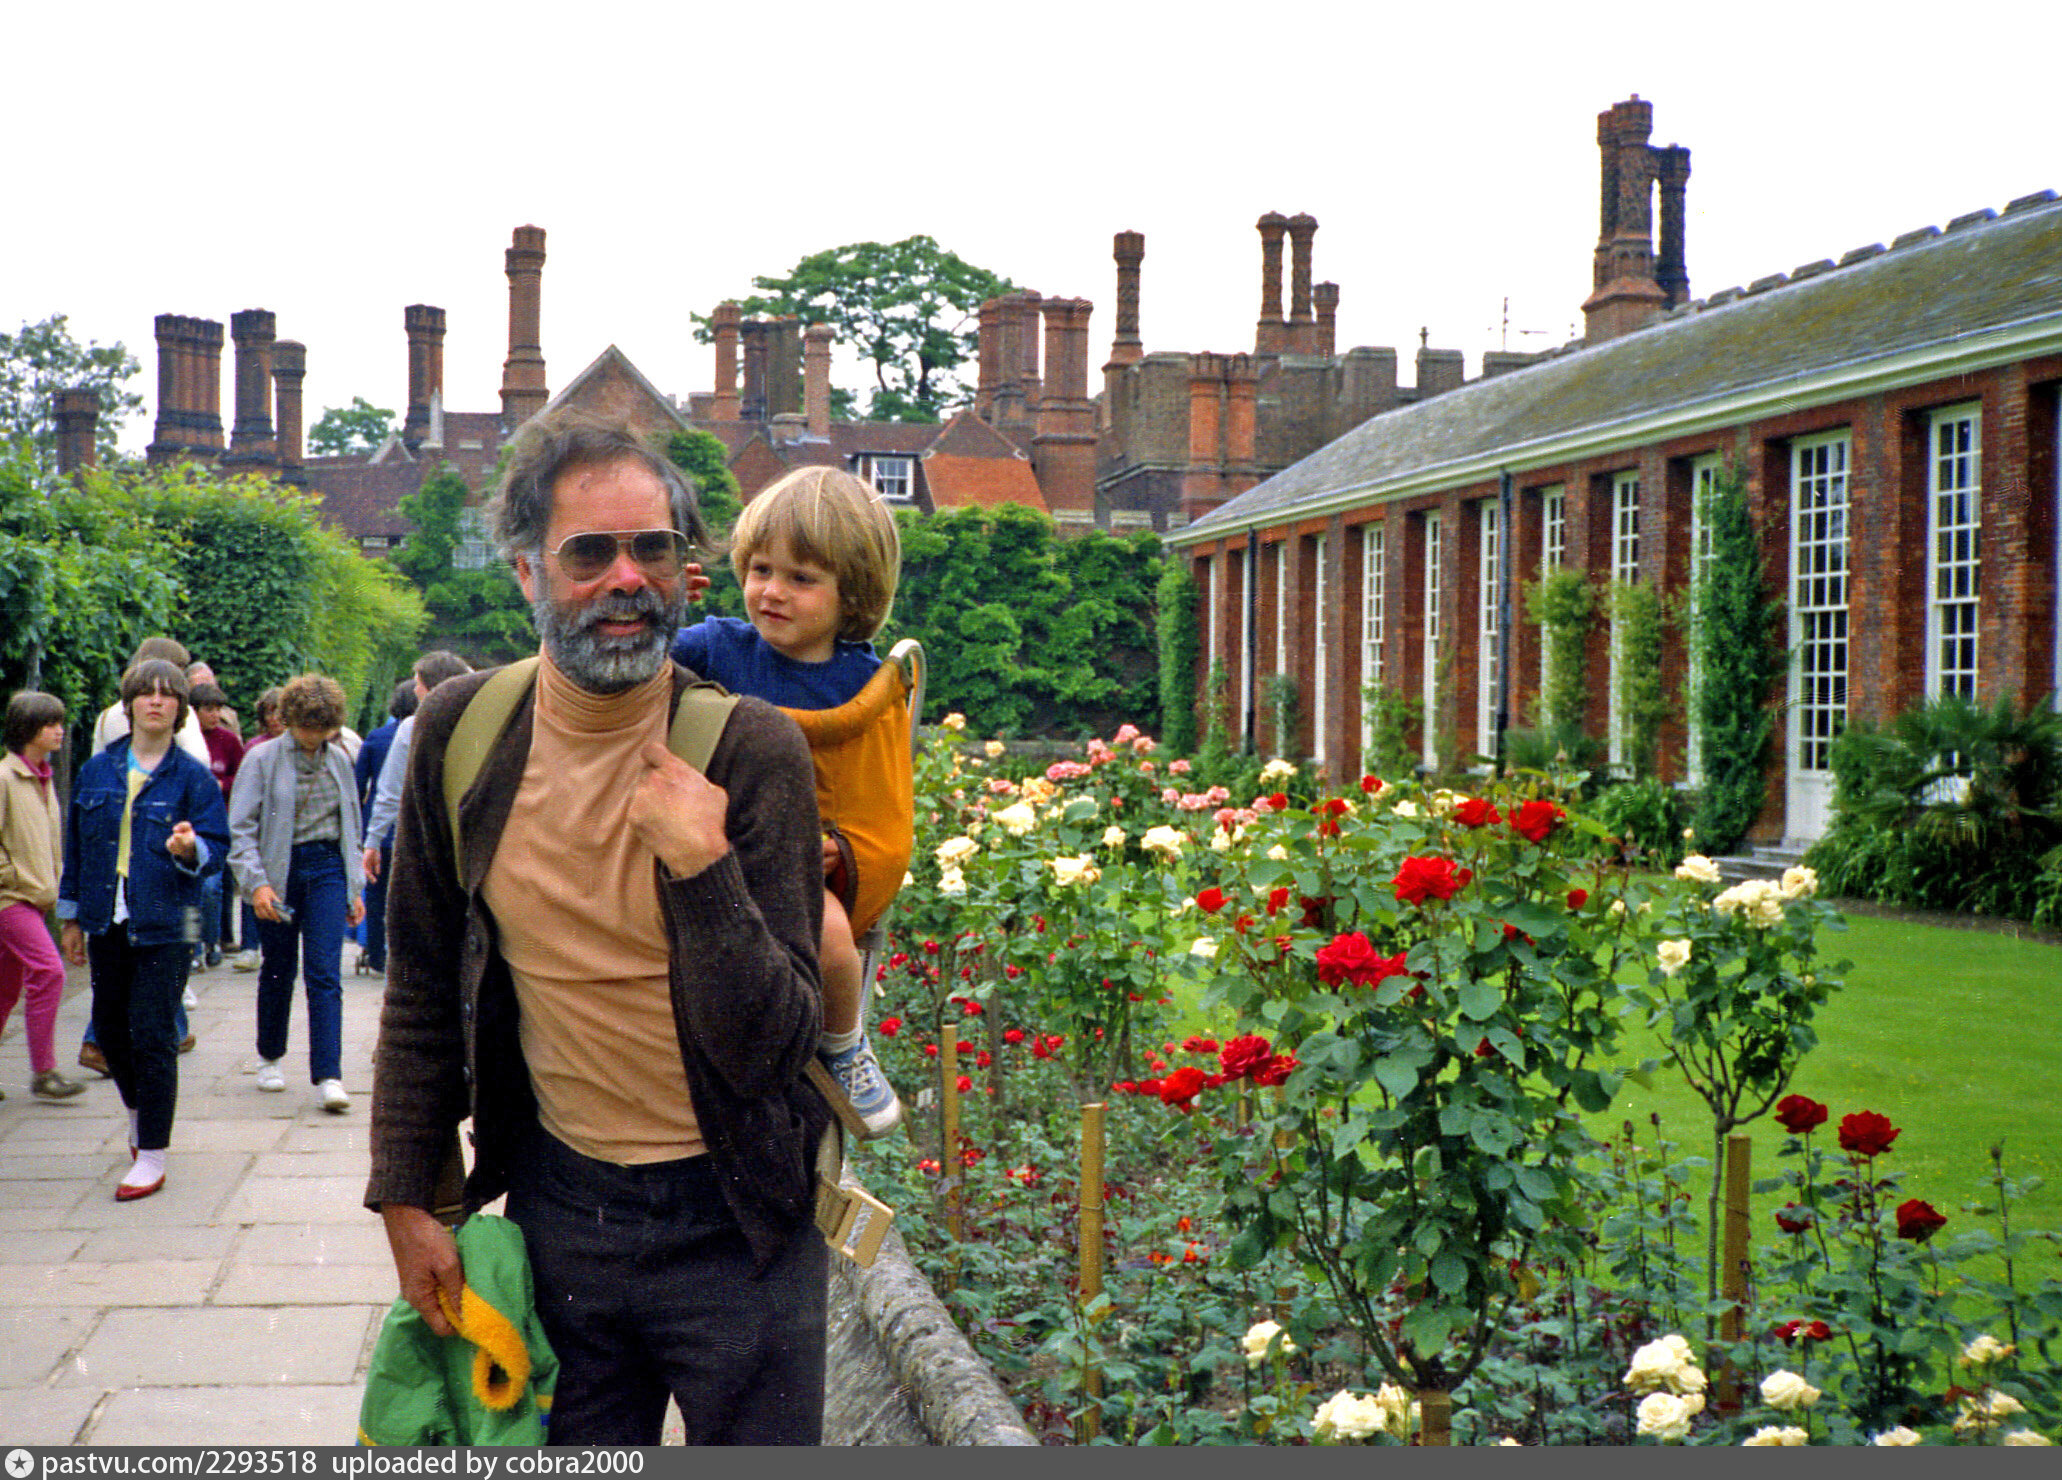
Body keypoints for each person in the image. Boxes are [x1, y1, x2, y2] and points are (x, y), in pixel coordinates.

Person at [366, 409, 831, 1445]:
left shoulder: (751, 752)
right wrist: (408, 1198)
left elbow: (772, 1049)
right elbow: (422, 990)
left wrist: (704, 869)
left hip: (743, 1229)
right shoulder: (461, 734)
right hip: (561, 1221)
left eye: (653, 549)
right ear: (527, 572)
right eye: (589, 554)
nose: (628, 579)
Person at [670, 465, 907, 1136]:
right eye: (761, 569)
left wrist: (844, 849)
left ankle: (843, 1043)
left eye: (801, 579)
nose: (772, 591)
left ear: (851, 593)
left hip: (799, 863)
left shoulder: (865, 684)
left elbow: (876, 796)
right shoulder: (716, 646)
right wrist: (664, 607)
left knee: (830, 937)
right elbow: (637, 670)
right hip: (703, 843)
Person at [57, 661, 228, 1201]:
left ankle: (152, 1153)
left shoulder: (192, 777)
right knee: (109, 1031)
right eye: (145, 693)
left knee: (153, 1033)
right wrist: (71, 917)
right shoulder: (97, 771)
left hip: (169, 922)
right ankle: (138, 1115)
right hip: (107, 918)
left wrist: (190, 848)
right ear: (128, 704)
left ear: (180, 708)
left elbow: (217, 846)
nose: (156, 701)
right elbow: (76, 848)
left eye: (167, 694)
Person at [228, 673, 366, 1114]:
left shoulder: (339, 759)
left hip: (327, 870)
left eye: (322, 727)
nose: (313, 735)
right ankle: (269, 1055)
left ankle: (329, 1075)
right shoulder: (261, 759)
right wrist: (257, 883)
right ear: (290, 720)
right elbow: (241, 828)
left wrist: (354, 888)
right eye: (306, 725)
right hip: (279, 872)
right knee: (278, 967)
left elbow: (351, 826)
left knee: (325, 972)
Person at [1, 692, 85, 1101]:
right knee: (49, 972)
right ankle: (44, 1072)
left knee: (5, 988)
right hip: (10, 899)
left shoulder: (44, 777)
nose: (59, 730)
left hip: (33, 898)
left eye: (59, 722)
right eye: (50, 724)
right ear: (27, 729)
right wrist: (11, 878)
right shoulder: (5, 778)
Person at [359, 651, 474, 904]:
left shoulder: (412, 727)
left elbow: (390, 791)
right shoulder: (480, 724)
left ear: (432, 687)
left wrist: (373, 840)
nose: (415, 690)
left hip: (422, 840)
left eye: (418, 683)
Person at [351, 679, 418, 975]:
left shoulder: (376, 738)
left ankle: (377, 955)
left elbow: (358, 784)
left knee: (377, 895)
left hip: (379, 828)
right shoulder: (427, 732)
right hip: (411, 827)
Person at [189, 682, 245, 972]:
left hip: (217, 822)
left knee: (211, 887)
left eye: (218, 709)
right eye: (208, 709)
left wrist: (222, 784)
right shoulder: (185, 740)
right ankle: (192, 947)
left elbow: (243, 777)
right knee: (190, 888)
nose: (215, 715)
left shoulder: (229, 741)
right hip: (188, 824)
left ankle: (211, 941)